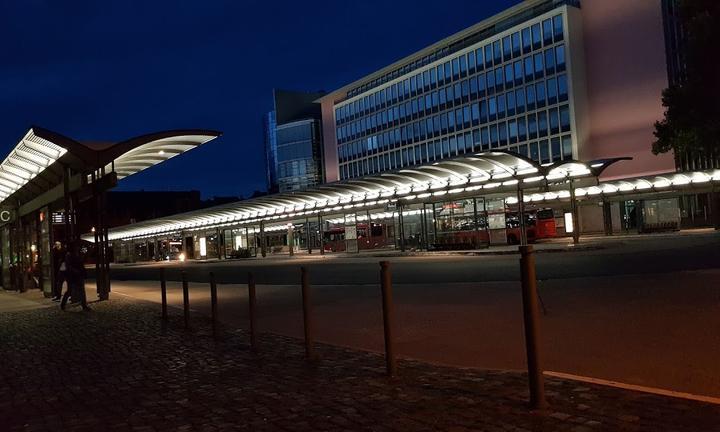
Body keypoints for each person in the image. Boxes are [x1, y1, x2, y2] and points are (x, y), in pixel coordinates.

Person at [61, 241, 91, 311]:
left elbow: (80, 261)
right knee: (71, 290)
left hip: (76, 274)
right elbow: (69, 265)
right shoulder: (70, 255)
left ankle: (84, 305)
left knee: (79, 290)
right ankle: (63, 304)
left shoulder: (75, 254)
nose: (76, 248)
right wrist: (75, 271)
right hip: (73, 275)